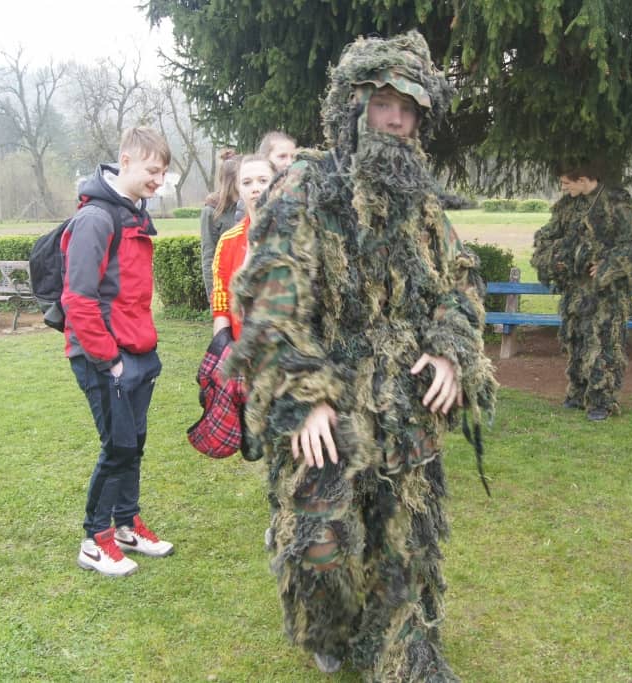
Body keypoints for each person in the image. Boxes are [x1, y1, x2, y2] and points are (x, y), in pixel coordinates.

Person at [225, 31, 496, 680]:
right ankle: (327, 624)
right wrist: (305, 396)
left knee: (402, 546)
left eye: (407, 107)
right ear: (352, 108)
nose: (395, 118)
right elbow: (272, 300)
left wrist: (451, 351)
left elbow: (460, 282)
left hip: (405, 407)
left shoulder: (422, 202)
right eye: (382, 103)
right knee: (319, 544)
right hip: (329, 403)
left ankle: (400, 646)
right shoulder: (304, 187)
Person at [62, 127, 174, 577]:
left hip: (138, 351)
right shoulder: (96, 219)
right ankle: (94, 540)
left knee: (134, 444)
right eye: (152, 170)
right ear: (125, 161)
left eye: (163, 173)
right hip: (105, 358)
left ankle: (126, 526)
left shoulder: (132, 214)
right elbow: (78, 299)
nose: (158, 181)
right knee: (118, 446)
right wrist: (109, 360)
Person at [530, 165, 632, 421]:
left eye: (566, 183)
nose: (563, 188)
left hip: (607, 293)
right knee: (576, 340)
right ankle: (577, 393)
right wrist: (557, 258)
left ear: (583, 179)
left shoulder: (617, 205)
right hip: (576, 291)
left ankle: (601, 401)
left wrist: (608, 264)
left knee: (604, 343)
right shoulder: (568, 207)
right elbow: (546, 237)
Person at [210, 155, 275, 340]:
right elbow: (221, 305)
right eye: (247, 182)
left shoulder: (298, 236)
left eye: (263, 181)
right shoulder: (228, 242)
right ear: (239, 188)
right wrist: (222, 347)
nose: (255, 188)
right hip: (243, 351)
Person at [200, 150, 240, 302]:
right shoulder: (211, 211)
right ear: (232, 180)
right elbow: (208, 258)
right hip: (226, 291)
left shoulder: (250, 206)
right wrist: (214, 299)